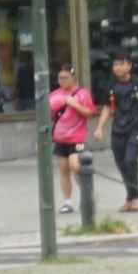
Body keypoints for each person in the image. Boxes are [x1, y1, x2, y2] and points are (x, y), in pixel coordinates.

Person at [94, 53, 138, 213]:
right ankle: (129, 197)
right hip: (118, 130)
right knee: (122, 165)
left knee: (130, 160)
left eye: (121, 64)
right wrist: (100, 127)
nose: (117, 68)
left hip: (135, 129)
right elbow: (107, 108)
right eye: (115, 65)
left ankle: (135, 198)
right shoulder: (111, 86)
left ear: (129, 66)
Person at [48, 65, 94, 216]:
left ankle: (86, 196)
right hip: (59, 137)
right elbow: (49, 118)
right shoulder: (53, 95)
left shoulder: (81, 94)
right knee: (64, 169)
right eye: (60, 78)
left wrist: (75, 105)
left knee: (76, 166)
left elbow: (90, 112)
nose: (63, 81)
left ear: (73, 78)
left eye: (66, 77)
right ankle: (67, 202)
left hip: (76, 137)